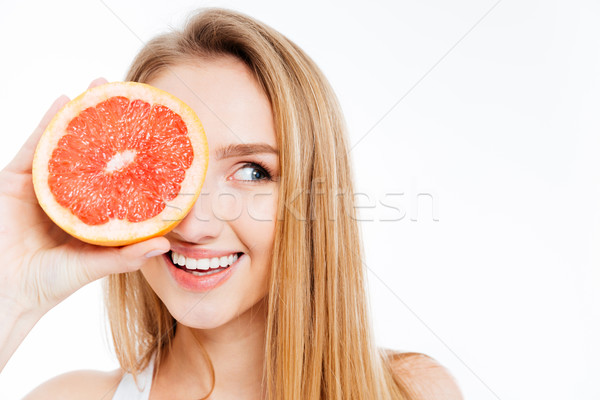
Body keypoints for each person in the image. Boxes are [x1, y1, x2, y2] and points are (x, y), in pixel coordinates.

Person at [0, 8, 463, 400]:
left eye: (252, 172)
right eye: (168, 173)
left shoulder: (409, 390)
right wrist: (11, 292)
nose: (196, 224)